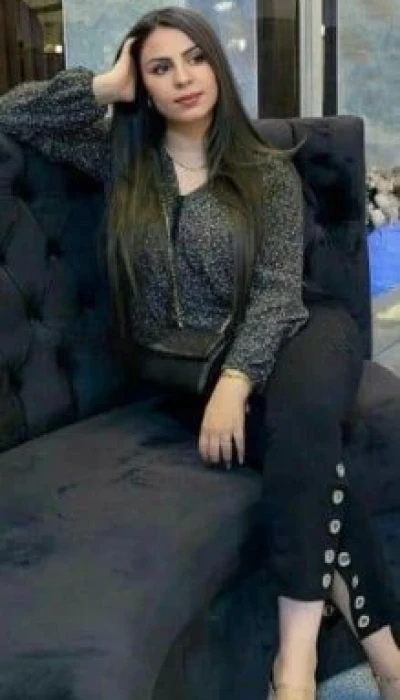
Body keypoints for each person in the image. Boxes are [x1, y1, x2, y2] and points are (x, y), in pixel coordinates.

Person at [0, 7, 399, 699]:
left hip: (301, 327)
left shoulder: (264, 169)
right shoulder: (121, 162)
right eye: (161, 67)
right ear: (143, 83)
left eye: (195, 58)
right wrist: (106, 85)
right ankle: (387, 655)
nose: (184, 78)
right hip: (191, 364)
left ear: (217, 65)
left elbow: (277, 292)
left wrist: (235, 382)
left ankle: (295, 668)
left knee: (302, 416)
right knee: (306, 452)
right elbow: (14, 114)